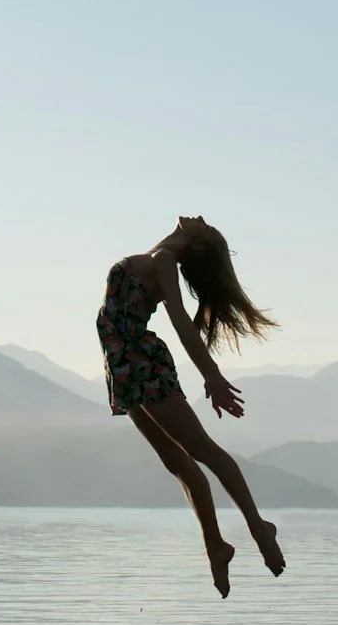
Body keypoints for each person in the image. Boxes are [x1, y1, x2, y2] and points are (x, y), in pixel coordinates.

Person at [98, 215, 283, 597]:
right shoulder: (160, 252)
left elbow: (182, 322)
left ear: (196, 245)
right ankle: (215, 545)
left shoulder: (164, 260)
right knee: (178, 464)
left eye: (209, 229)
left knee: (202, 450)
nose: (204, 220)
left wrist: (211, 376)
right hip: (123, 368)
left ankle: (257, 526)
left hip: (140, 365)